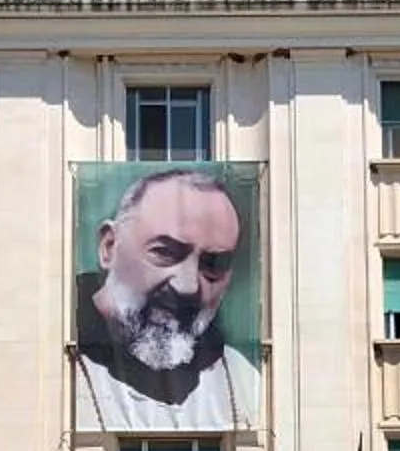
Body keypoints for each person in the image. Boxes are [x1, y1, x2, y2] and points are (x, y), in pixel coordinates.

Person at [72, 167, 263, 436]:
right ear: (109, 247)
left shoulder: (242, 380)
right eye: (165, 252)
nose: (188, 286)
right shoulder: (53, 357)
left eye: (213, 264)